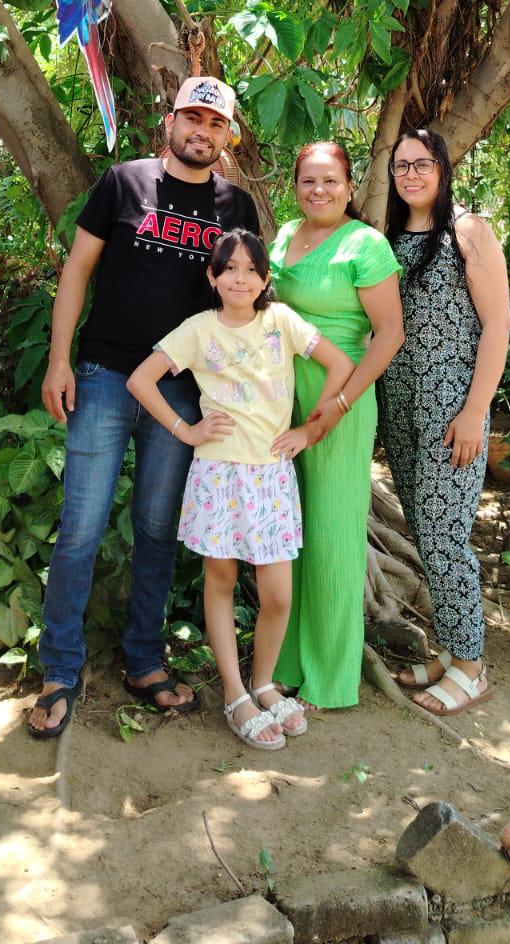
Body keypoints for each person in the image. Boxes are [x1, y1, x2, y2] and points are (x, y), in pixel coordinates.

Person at [26, 76, 259, 740]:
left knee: (157, 528)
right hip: (103, 374)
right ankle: (60, 670)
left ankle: (143, 660)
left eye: (214, 123)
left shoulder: (234, 204)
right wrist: (59, 359)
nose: (201, 130)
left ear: (227, 135)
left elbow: (240, 299)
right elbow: (76, 272)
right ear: (170, 121)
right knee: (81, 526)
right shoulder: (123, 183)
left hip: (180, 390)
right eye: (192, 116)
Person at [127, 231, 353, 749]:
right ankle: (235, 693)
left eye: (252, 269)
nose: (240, 278)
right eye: (229, 268)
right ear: (212, 276)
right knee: (222, 581)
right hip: (219, 476)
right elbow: (141, 380)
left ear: (266, 278)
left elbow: (341, 366)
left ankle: (264, 682)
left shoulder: (281, 322)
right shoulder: (198, 329)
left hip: (271, 476)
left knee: (277, 595)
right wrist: (186, 431)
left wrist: (310, 429)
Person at [378, 127, 510, 718]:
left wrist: (475, 412)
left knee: (446, 536)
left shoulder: (467, 230)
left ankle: (473, 670)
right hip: (399, 408)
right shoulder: (389, 239)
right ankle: (453, 653)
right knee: (428, 534)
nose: (410, 175)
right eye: (401, 166)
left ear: (442, 167)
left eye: (421, 164)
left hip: (451, 409)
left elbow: (498, 325)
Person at [266, 141, 405, 710]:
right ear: (294, 185)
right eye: (307, 181)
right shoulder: (282, 236)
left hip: (338, 398)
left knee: (330, 536)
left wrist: (340, 404)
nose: (318, 191)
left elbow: (389, 334)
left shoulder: (365, 244)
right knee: (288, 533)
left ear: (350, 186)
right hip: (279, 400)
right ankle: (286, 664)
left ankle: (329, 677)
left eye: (329, 181)